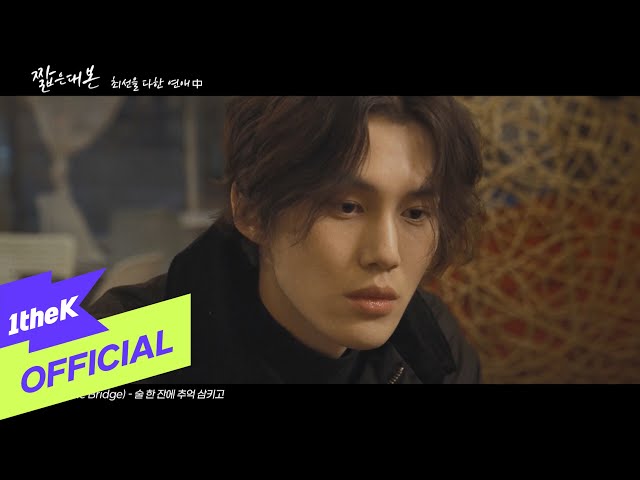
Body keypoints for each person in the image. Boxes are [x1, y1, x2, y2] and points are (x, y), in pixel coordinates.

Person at [87, 96, 485, 384]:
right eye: (347, 207)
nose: (385, 253)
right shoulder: (112, 348)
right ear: (251, 212)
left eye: (415, 213)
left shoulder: (431, 345)